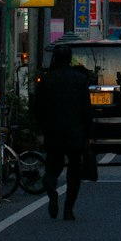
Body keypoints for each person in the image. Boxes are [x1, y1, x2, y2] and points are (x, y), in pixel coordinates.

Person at [33, 42, 92, 221]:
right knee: (74, 172)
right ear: (70, 59)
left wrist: (41, 128)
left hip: (53, 132)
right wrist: (88, 134)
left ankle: (51, 191)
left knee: (52, 167)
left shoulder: (46, 80)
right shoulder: (80, 79)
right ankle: (69, 209)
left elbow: (37, 108)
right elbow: (86, 109)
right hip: (75, 133)